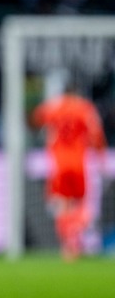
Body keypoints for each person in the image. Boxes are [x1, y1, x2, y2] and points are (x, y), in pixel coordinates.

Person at [30, 86, 107, 261]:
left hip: (59, 164)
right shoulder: (85, 107)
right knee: (81, 205)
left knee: (62, 205)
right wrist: (101, 156)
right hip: (79, 163)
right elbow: (96, 134)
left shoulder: (54, 106)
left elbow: (35, 119)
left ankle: (68, 246)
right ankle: (76, 236)